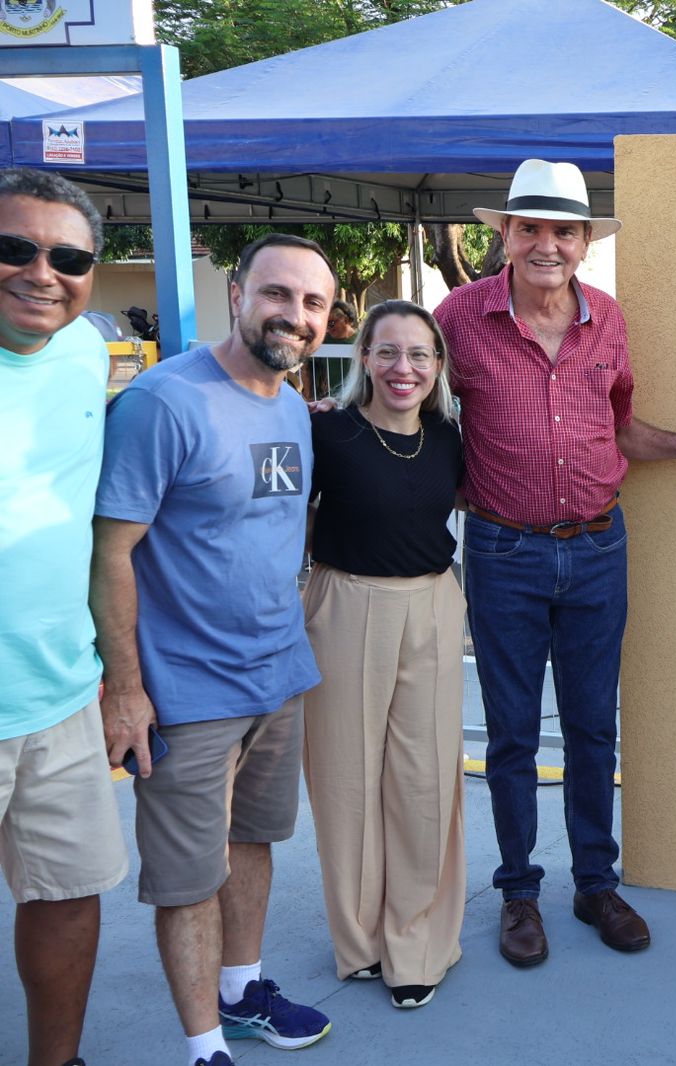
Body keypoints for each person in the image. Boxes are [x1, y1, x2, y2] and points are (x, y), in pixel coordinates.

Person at [433, 158, 676, 967]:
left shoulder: (609, 322)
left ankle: (595, 884)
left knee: (593, 727)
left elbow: (621, 430)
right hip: (502, 547)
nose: (546, 244)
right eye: (531, 229)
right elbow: (412, 407)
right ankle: (519, 894)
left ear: (585, 242)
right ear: (505, 237)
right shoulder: (458, 317)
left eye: (564, 230)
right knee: (512, 736)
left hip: (597, 547)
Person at [91, 234, 337, 1066]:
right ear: (236, 294)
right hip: (187, 691)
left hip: (278, 674)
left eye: (312, 304)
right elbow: (111, 551)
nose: (293, 316)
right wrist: (123, 688)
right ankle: (204, 1049)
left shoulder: (292, 407)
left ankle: (242, 993)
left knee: (253, 843)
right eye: (277, 294)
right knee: (189, 875)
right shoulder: (164, 403)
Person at [301, 300, 466, 1010]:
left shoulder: (450, 437)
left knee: (425, 780)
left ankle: (418, 941)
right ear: (363, 357)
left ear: (438, 366)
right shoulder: (322, 433)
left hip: (431, 604)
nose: (405, 368)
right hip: (342, 604)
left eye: (420, 355)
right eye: (389, 352)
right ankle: (360, 941)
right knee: (344, 781)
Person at [0, 167, 128, 1066]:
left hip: (60, 692)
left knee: (69, 893)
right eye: (14, 248)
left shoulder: (87, 349)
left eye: (68, 256)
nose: (42, 272)